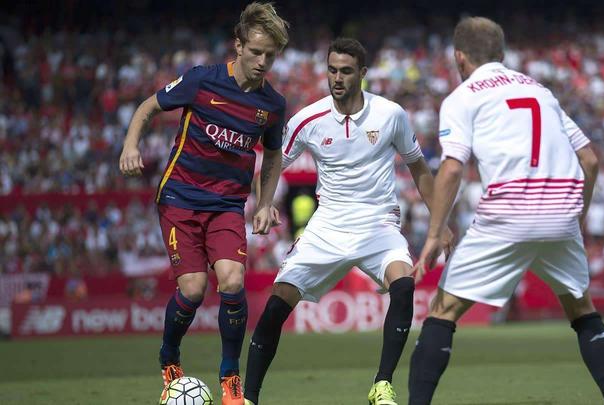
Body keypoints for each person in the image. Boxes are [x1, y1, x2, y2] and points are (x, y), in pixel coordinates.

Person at [408, 17, 604, 405]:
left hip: (508, 214)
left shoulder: (463, 96)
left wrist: (434, 234)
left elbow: (453, 168)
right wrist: (578, 217)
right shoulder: (540, 90)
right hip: (561, 212)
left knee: (442, 311)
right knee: (582, 310)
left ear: (459, 57)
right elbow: (590, 160)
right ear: (501, 53)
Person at [241, 37, 452, 405]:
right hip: (327, 226)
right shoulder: (308, 119)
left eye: (346, 71)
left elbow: (418, 167)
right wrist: (264, 202)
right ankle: (249, 398)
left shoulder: (391, 114)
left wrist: (441, 221)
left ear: (363, 73)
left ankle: (382, 385)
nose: (337, 78)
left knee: (404, 285)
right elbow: (274, 163)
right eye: (332, 70)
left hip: (378, 224)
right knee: (277, 304)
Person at [118, 3, 289, 404]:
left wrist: (264, 203)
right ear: (238, 45)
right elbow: (147, 107)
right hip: (180, 197)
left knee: (232, 280)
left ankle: (230, 379)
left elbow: (273, 155)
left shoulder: (272, 105)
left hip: (227, 204)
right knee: (193, 290)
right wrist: (130, 145)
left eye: (270, 56)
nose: (262, 62)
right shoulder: (201, 80)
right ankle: (169, 358)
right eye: (256, 52)